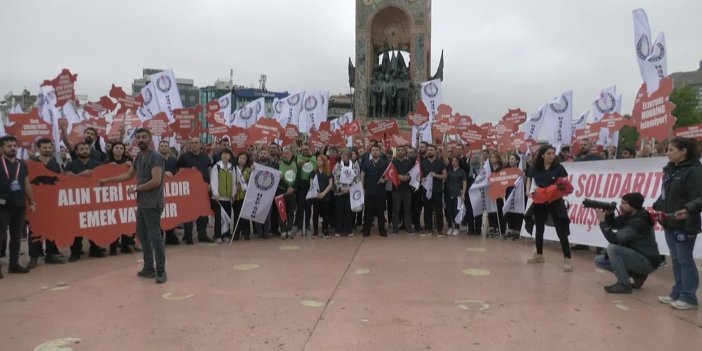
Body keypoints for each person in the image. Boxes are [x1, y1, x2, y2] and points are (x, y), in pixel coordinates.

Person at [99, 128, 167, 284]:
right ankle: (149, 267)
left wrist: (136, 188)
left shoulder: (156, 157)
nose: (141, 139)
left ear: (150, 139)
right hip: (142, 203)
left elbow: (156, 181)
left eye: (144, 137)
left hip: (153, 203)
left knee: (155, 237)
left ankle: (161, 271)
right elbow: (128, 175)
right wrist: (107, 181)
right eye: (138, 137)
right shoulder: (138, 157)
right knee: (142, 235)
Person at [653, 137, 702, 310]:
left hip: (685, 223)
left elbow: (699, 198)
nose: (667, 153)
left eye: (671, 150)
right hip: (670, 221)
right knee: (676, 259)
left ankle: (689, 297)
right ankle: (677, 291)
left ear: (683, 152)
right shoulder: (671, 171)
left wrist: (688, 210)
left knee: (685, 259)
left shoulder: (694, 171)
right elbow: (666, 195)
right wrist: (655, 207)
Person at [594, 192, 661, 294]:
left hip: (647, 260)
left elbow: (615, 240)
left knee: (613, 248)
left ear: (633, 206)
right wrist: (609, 214)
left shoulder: (640, 221)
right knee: (599, 261)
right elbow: (614, 224)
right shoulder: (631, 215)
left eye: (624, 203)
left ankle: (623, 284)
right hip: (637, 255)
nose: (620, 206)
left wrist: (602, 222)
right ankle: (637, 275)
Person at [525, 144, 573, 272]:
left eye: (553, 153)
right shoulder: (535, 167)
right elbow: (529, 178)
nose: (552, 156)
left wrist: (559, 187)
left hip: (555, 200)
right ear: (542, 155)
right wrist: (528, 190)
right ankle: (539, 254)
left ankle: (567, 258)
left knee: (561, 229)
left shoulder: (558, 167)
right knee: (539, 227)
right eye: (549, 153)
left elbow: (564, 182)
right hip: (541, 199)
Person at [0, 136, 36, 277]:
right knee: (1, 236)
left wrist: (32, 201)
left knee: (16, 237)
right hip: (2, 206)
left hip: (19, 205)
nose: (13, 148)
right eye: (9, 146)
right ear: (2, 148)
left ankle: (13, 264)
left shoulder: (22, 164)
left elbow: (26, 183)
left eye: (15, 145)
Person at [65, 142, 106, 262]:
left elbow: (102, 179)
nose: (84, 150)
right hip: (76, 200)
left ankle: (94, 248)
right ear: (76, 151)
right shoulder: (70, 165)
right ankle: (75, 252)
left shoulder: (97, 164)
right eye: (81, 149)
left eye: (86, 148)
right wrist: (80, 175)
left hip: (93, 199)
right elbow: (66, 180)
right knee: (76, 226)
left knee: (93, 224)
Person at [27, 138, 65, 268]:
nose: (47, 150)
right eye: (45, 147)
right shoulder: (32, 164)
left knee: (51, 228)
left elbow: (60, 181)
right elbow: (28, 183)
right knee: (34, 230)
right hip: (36, 203)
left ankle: (51, 254)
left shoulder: (55, 164)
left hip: (52, 203)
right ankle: (34, 256)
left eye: (49, 147)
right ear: (39, 148)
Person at [177, 137, 213, 244]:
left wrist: (211, 183)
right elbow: (180, 172)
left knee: (203, 213)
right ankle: (188, 236)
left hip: (203, 190)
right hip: (189, 190)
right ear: (189, 144)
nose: (194, 145)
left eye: (196, 143)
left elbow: (209, 170)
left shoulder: (205, 157)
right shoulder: (184, 157)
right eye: (192, 143)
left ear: (200, 144)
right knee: (188, 214)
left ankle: (202, 235)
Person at [107, 141, 135, 255]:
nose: (119, 150)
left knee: (126, 220)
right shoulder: (106, 161)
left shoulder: (128, 162)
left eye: (121, 148)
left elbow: (135, 174)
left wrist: (131, 166)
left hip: (125, 195)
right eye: (116, 148)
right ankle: (113, 246)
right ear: (112, 149)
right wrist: (107, 167)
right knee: (114, 222)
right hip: (111, 195)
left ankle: (125, 245)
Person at [210, 148, 237, 243]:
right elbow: (213, 181)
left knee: (227, 217)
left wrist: (233, 193)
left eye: (227, 154)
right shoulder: (216, 167)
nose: (225, 156)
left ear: (230, 156)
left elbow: (234, 181)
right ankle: (218, 235)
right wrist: (215, 193)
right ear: (221, 156)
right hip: (218, 197)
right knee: (218, 217)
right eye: (223, 154)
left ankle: (226, 235)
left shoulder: (232, 167)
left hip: (228, 198)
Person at [361, 144, 389, 237]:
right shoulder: (366, 163)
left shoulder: (384, 163)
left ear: (380, 152)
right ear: (371, 152)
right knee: (368, 211)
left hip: (380, 192)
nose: (375, 152)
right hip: (369, 192)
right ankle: (366, 229)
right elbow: (362, 176)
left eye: (377, 150)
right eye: (373, 150)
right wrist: (362, 188)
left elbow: (389, 177)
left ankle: (382, 229)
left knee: (381, 211)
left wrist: (384, 180)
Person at [421, 145, 447, 237]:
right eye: (428, 150)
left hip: (437, 190)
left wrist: (436, 175)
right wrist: (422, 178)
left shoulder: (440, 163)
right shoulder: (423, 162)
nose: (429, 151)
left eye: (431, 150)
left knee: (438, 210)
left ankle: (439, 230)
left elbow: (445, 176)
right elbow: (420, 175)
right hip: (426, 190)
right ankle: (428, 229)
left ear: (435, 151)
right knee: (427, 210)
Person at [333, 149, 360, 237]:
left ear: (348, 156)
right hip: (339, 191)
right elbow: (335, 177)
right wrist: (340, 187)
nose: (342, 156)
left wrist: (350, 188)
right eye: (342, 154)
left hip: (350, 191)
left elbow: (357, 178)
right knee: (339, 210)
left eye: (345, 154)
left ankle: (349, 230)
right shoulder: (337, 165)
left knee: (349, 211)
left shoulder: (355, 165)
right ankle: (338, 230)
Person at [159, 140, 180, 245]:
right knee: (160, 214)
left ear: (168, 147)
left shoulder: (173, 160)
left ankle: (170, 236)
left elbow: (177, 174)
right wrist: (164, 173)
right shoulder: (155, 159)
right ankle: (159, 236)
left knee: (171, 212)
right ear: (159, 148)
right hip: (158, 191)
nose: (163, 147)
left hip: (172, 191)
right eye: (161, 146)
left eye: (165, 146)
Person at [391, 146, 414, 235]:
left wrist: (408, 177)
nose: (400, 152)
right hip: (396, 190)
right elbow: (390, 175)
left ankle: (408, 228)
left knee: (407, 209)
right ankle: (395, 228)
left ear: (405, 152)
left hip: (407, 189)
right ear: (396, 152)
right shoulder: (393, 162)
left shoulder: (409, 162)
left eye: (402, 150)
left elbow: (413, 173)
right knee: (396, 210)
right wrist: (399, 177)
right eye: (399, 150)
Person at [296, 142, 316, 234]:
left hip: (310, 184)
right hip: (301, 184)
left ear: (310, 149)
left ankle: (307, 224)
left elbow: (315, 168)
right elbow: (298, 165)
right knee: (300, 207)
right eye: (303, 149)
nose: (305, 151)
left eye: (306, 149)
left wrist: (309, 159)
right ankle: (300, 226)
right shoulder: (299, 157)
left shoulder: (314, 158)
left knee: (308, 207)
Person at [278, 147, 298, 239]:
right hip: (282, 190)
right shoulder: (279, 164)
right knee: (282, 211)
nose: (285, 155)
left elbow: (297, 177)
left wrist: (292, 188)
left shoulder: (295, 164)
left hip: (292, 191)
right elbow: (278, 178)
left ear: (291, 154)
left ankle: (289, 229)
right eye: (284, 153)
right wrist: (287, 187)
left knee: (291, 211)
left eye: (287, 153)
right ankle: (283, 230)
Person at [312, 155, 333, 239]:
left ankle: (325, 230)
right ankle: (315, 231)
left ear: (324, 161)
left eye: (320, 160)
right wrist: (317, 193)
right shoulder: (314, 172)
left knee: (326, 214)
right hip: (316, 196)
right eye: (317, 160)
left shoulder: (328, 172)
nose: (318, 162)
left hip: (326, 196)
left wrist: (324, 193)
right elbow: (311, 183)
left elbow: (330, 184)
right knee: (315, 214)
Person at [504, 154, 525, 240]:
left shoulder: (520, 171)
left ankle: (518, 231)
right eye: (510, 159)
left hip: (518, 193)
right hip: (508, 192)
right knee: (509, 210)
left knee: (517, 211)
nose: (510, 160)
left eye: (512, 159)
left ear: (517, 161)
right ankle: (511, 230)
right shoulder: (506, 171)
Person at [445, 156, 467, 236]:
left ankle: (457, 227)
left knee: (457, 211)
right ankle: (450, 227)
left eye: (455, 161)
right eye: (453, 161)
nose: (454, 162)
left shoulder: (462, 171)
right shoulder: (449, 171)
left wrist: (463, 194)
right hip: (448, 194)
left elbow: (464, 183)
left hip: (458, 195)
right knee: (449, 211)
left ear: (458, 162)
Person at [233, 152, 252, 241]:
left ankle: (246, 233)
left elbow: (249, 180)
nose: (241, 160)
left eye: (244, 158)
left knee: (245, 215)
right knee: (237, 215)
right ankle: (236, 233)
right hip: (236, 195)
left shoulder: (249, 170)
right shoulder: (233, 169)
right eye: (240, 158)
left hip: (245, 195)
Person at [487, 152, 506, 237]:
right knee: (491, 210)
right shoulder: (488, 169)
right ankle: (492, 227)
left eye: (494, 157)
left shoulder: (501, 169)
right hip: (490, 192)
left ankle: (500, 228)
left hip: (499, 193)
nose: (492, 159)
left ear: (498, 159)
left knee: (499, 210)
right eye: (491, 157)